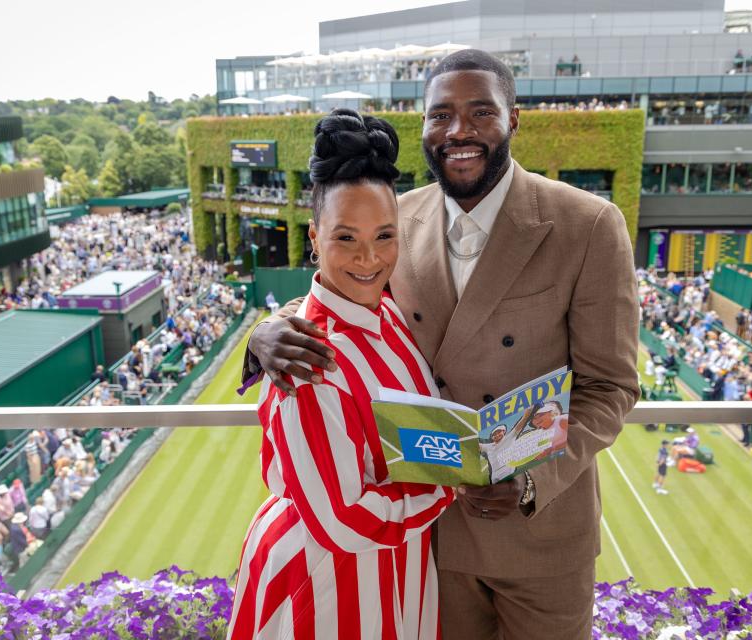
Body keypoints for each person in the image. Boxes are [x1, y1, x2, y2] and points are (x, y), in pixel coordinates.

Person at [245, 50, 639, 639]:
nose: (459, 130)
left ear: (513, 119)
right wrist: (266, 331)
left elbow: (609, 389)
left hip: (540, 533)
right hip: (433, 543)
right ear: (424, 126)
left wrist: (530, 479)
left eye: (481, 112)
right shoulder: (393, 217)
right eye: (441, 115)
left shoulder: (587, 224)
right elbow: (344, 287)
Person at [227, 110, 454, 639]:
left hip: (398, 570)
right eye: (346, 238)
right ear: (315, 235)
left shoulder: (392, 311)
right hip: (325, 585)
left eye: (384, 236)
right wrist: (450, 487)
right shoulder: (306, 358)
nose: (369, 258)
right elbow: (342, 519)